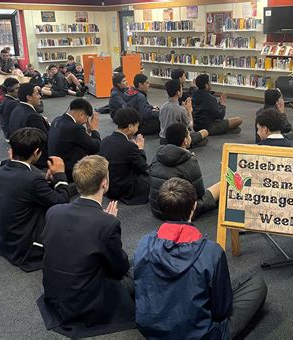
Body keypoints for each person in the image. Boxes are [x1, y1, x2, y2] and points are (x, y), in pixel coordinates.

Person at [134, 177, 268, 339]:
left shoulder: (144, 243)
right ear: (194, 206)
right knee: (257, 285)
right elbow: (221, 311)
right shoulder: (211, 252)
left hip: (153, 331)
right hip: (200, 335)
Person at [37, 155, 135, 338]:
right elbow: (118, 269)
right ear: (104, 183)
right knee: (140, 267)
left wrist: (104, 221)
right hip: (87, 302)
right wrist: (107, 222)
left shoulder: (54, 211)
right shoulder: (106, 224)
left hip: (55, 293)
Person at [0, 127, 71, 272]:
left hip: (6, 240)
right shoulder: (33, 179)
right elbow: (62, 202)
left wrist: (45, 180)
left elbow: (26, 186)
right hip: (26, 245)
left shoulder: (0, 170)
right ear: (36, 152)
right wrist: (60, 176)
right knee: (66, 215)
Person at [149, 122, 219, 219]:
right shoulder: (189, 160)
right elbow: (199, 193)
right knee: (221, 185)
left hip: (157, 208)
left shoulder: (157, 155)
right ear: (185, 141)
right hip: (180, 213)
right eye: (189, 135)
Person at [99, 107, 149, 205]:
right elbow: (143, 167)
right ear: (130, 127)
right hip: (124, 189)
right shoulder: (130, 147)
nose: (137, 130)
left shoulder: (105, 140)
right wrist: (140, 149)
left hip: (108, 187)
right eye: (136, 126)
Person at [48, 98, 101, 182]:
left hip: (55, 166)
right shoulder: (75, 128)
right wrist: (95, 129)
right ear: (80, 115)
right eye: (86, 118)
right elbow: (96, 146)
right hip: (69, 172)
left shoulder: (57, 119)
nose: (86, 122)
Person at [9, 83, 50, 169]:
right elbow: (46, 139)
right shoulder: (32, 116)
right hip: (37, 161)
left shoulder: (16, 109)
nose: (40, 96)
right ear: (29, 97)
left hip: (20, 154)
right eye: (37, 94)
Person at [159, 79, 208, 147]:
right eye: (181, 89)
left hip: (163, 139)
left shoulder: (163, 107)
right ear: (178, 92)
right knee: (205, 133)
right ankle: (187, 145)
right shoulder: (181, 110)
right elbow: (190, 127)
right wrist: (189, 111)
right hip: (177, 141)